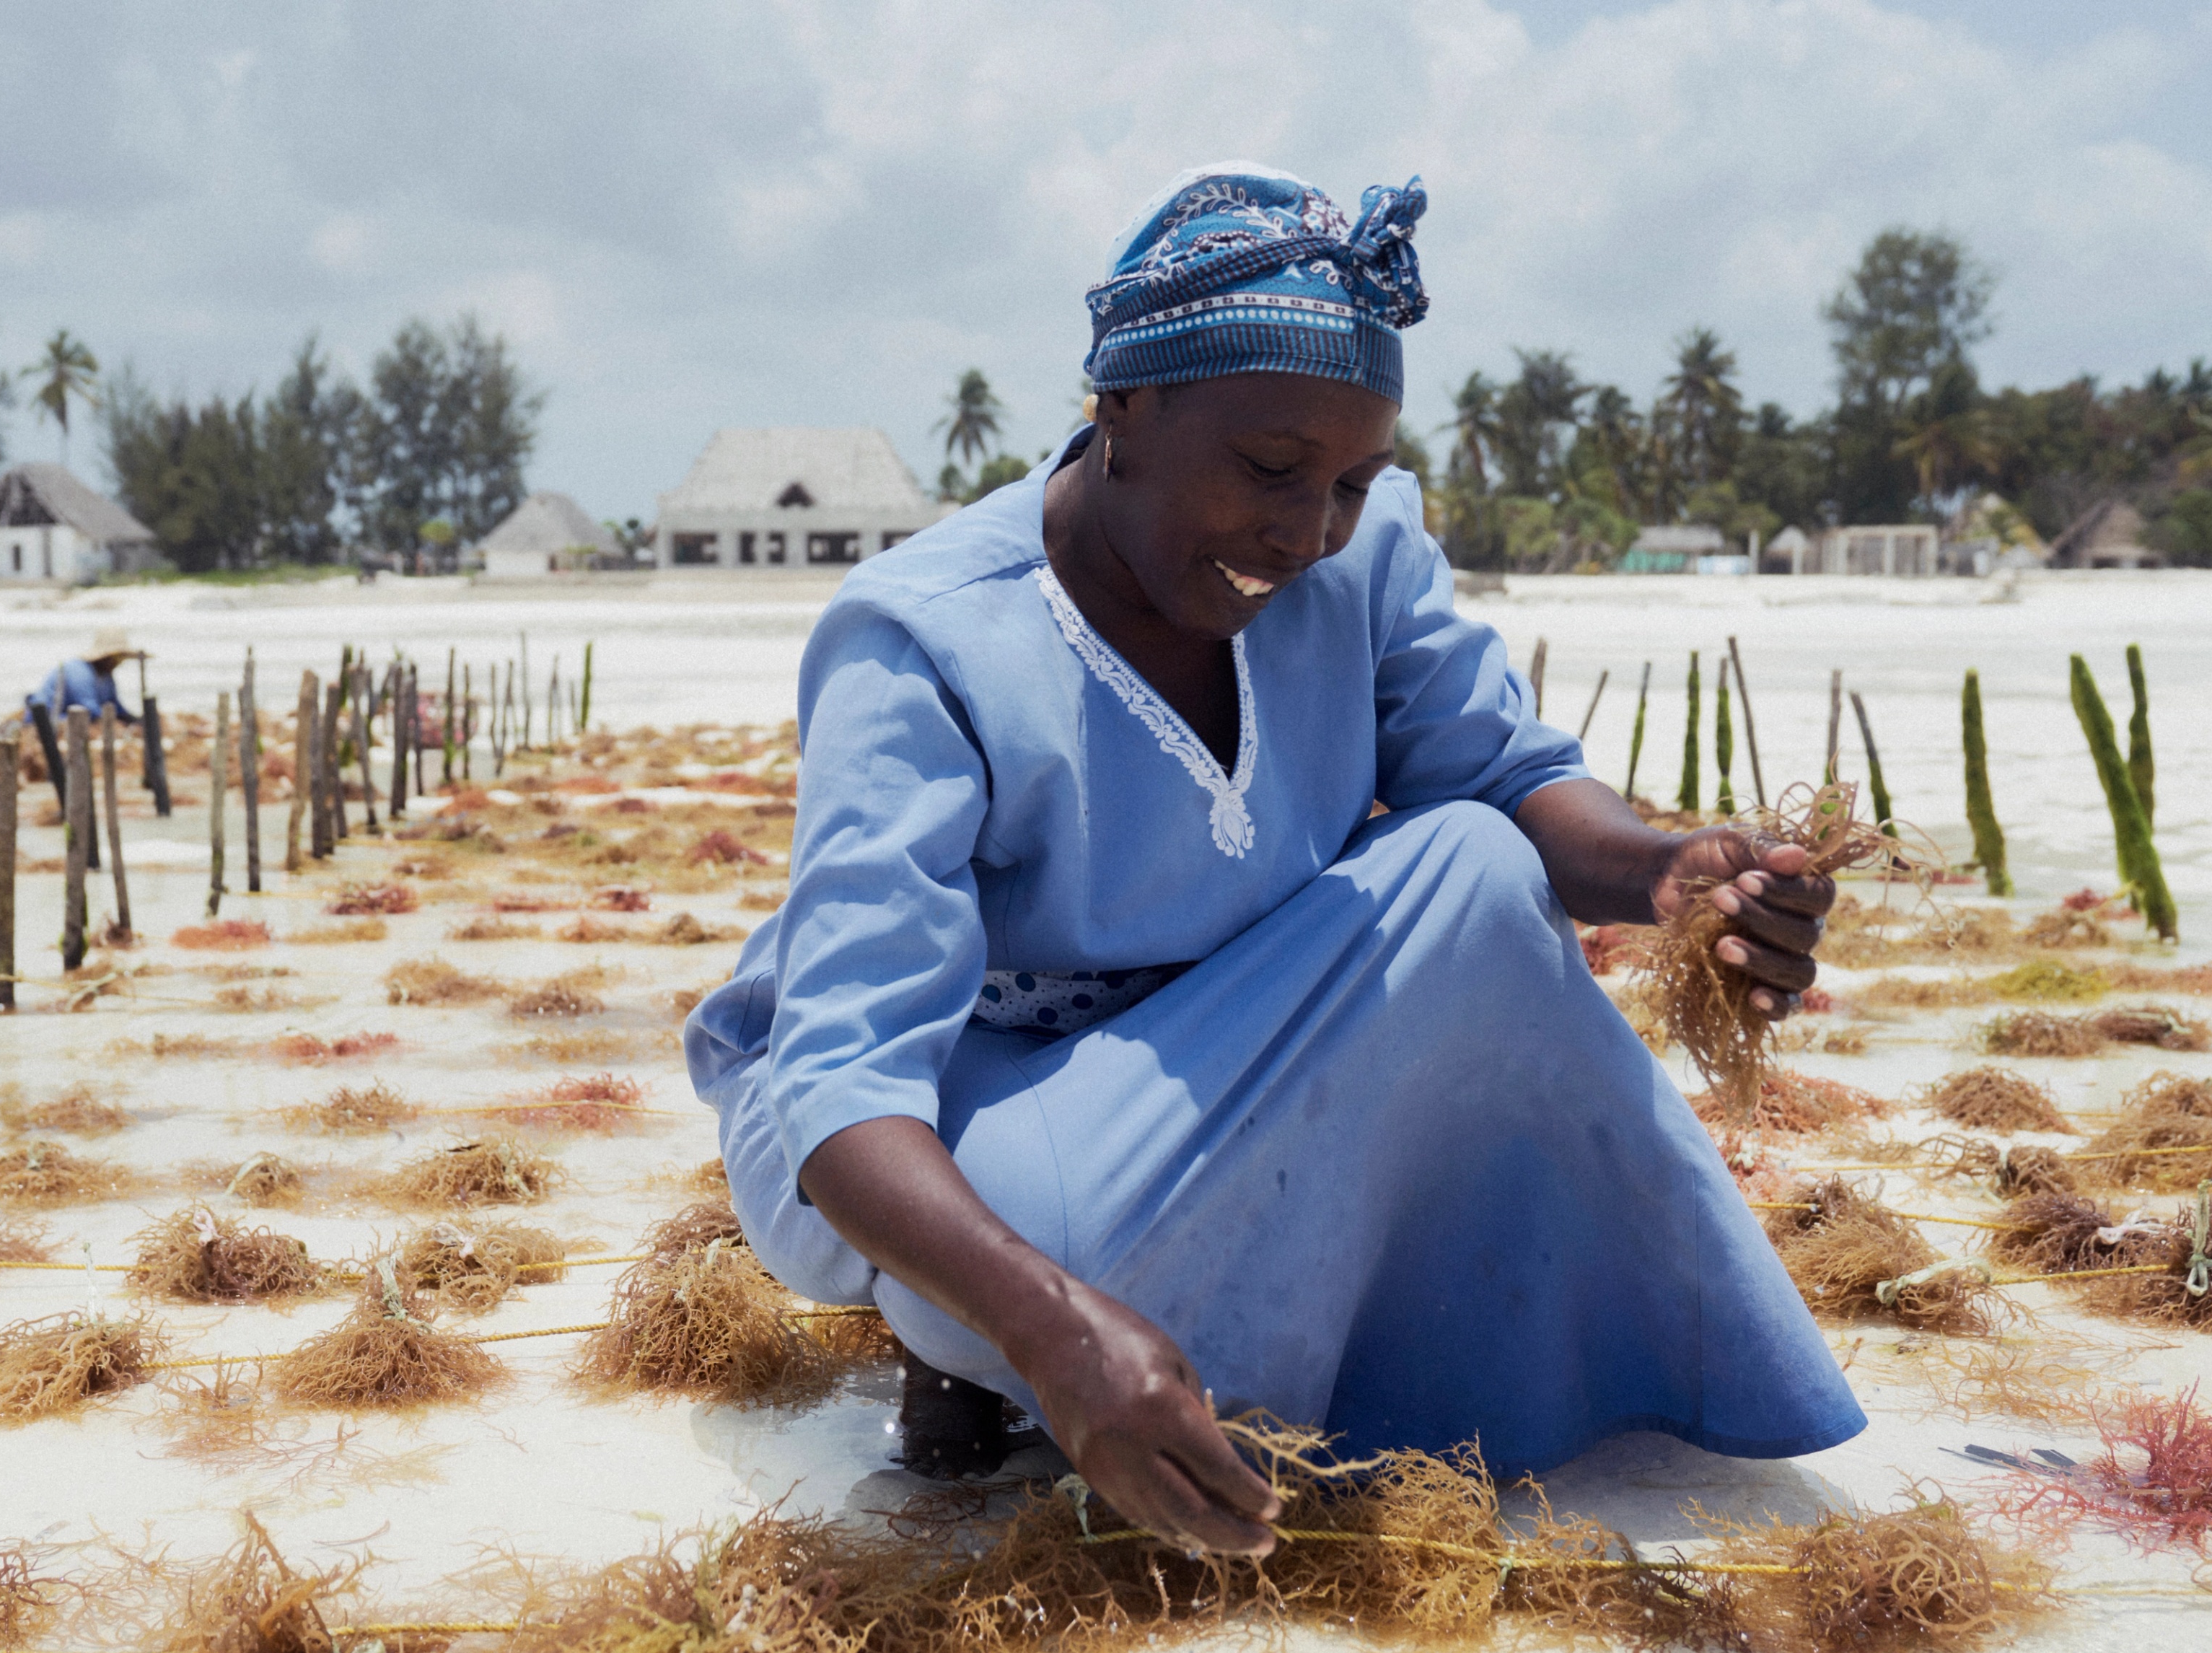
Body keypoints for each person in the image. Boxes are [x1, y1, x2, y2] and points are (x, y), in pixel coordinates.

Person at [683, 164, 1863, 1558]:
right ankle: (983, 1340)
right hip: (965, 1091)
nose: (1306, 535)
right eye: (1268, 470)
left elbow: (1505, 778)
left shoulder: (1361, 563)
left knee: (1476, 868)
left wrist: (1666, 876)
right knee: (1021, 1263)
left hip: (1227, 1055)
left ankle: (1412, 1366)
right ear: (1123, 407)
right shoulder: (927, 640)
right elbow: (847, 1081)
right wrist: (1054, 1331)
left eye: (1352, 484)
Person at [25, 628, 144, 723]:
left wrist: (136, 721)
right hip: (48, 722)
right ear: (106, 656)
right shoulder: (80, 673)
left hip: (77, 719)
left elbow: (116, 708)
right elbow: (92, 711)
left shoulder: (106, 677)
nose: (119, 662)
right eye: (117, 657)